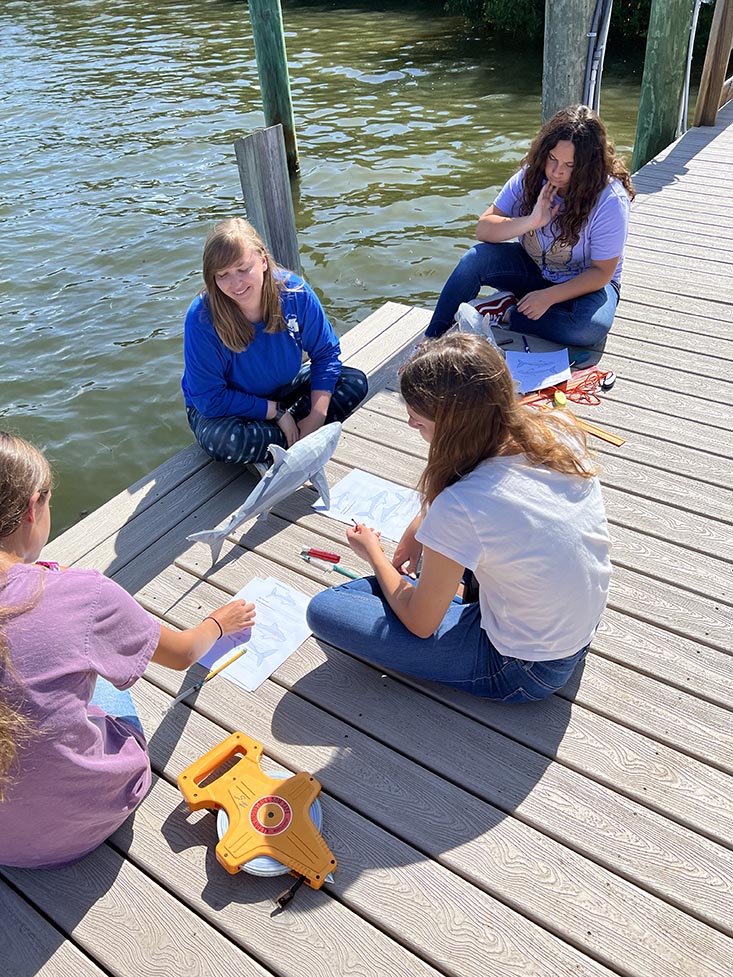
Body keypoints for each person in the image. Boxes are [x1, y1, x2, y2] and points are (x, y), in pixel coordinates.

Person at [0, 431, 257, 869]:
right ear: (31, 509)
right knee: (99, 672)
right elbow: (181, 654)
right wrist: (218, 623)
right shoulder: (83, 595)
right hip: (82, 823)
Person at [306, 334, 611, 701]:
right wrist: (420, 527)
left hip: (524, 669)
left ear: (453, 425)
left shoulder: (463, 505)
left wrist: (373, 552)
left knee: (326, 609)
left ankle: (447, 591)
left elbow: (421, 624)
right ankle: (452, 588)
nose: (408, 424)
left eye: (418, 421)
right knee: (394, 586)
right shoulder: (554, 429)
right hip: (572, 630)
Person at [425, 104, 635, 348]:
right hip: (534, 267)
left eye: (570, 165)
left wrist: (549, 297)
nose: (556, 172)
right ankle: (432, 338)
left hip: (587, 283)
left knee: (588, 329)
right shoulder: (531, 176)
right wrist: (532, 221)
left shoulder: (610, 200)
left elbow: (602, 273)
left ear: (589, 166)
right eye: (553, 159)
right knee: (474, 260)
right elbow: (484, 228)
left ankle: (504, 313)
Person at [182, 217, 368, 469]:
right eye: (223, 275)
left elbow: (325, 354)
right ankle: (287, 436)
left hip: (282, 389)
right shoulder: (201, 317)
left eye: (242, 268)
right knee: (225, 440)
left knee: (354, 382)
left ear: (263, 260)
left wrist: (316, 415)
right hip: (225, 409)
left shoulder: (296, 294)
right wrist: (276, 413)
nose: (235, 284)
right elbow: (209, 399)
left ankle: (279, 440)